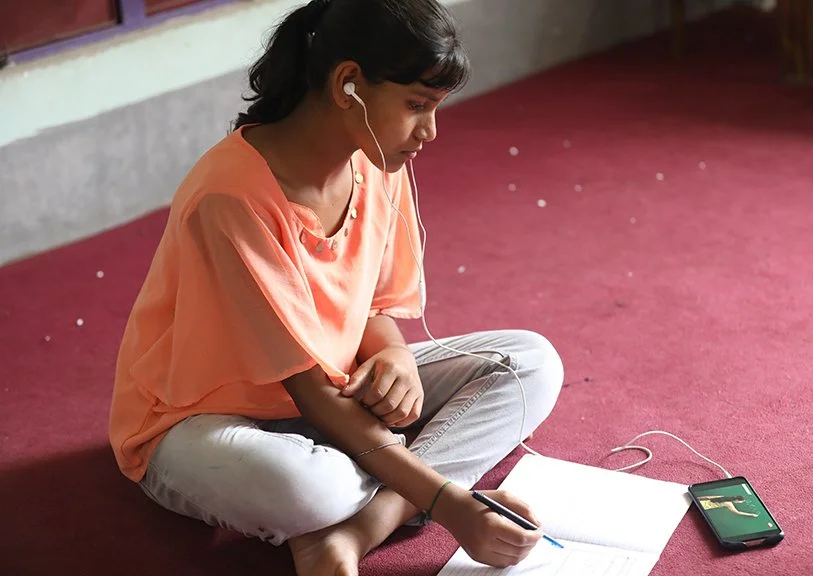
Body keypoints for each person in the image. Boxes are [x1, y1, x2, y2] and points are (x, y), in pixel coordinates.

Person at [108, 1, 564, 574]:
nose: (430, 131)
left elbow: (370, 303)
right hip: (202, 419)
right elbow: (307, 391)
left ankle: (353, 530)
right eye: (417, 106)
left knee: (530, 364)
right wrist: (452, 505)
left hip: (340, 392)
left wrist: (393, 354)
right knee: (310, 489)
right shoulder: (231, 197)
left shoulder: (373, 160)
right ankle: (387, 495)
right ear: (348, 83)